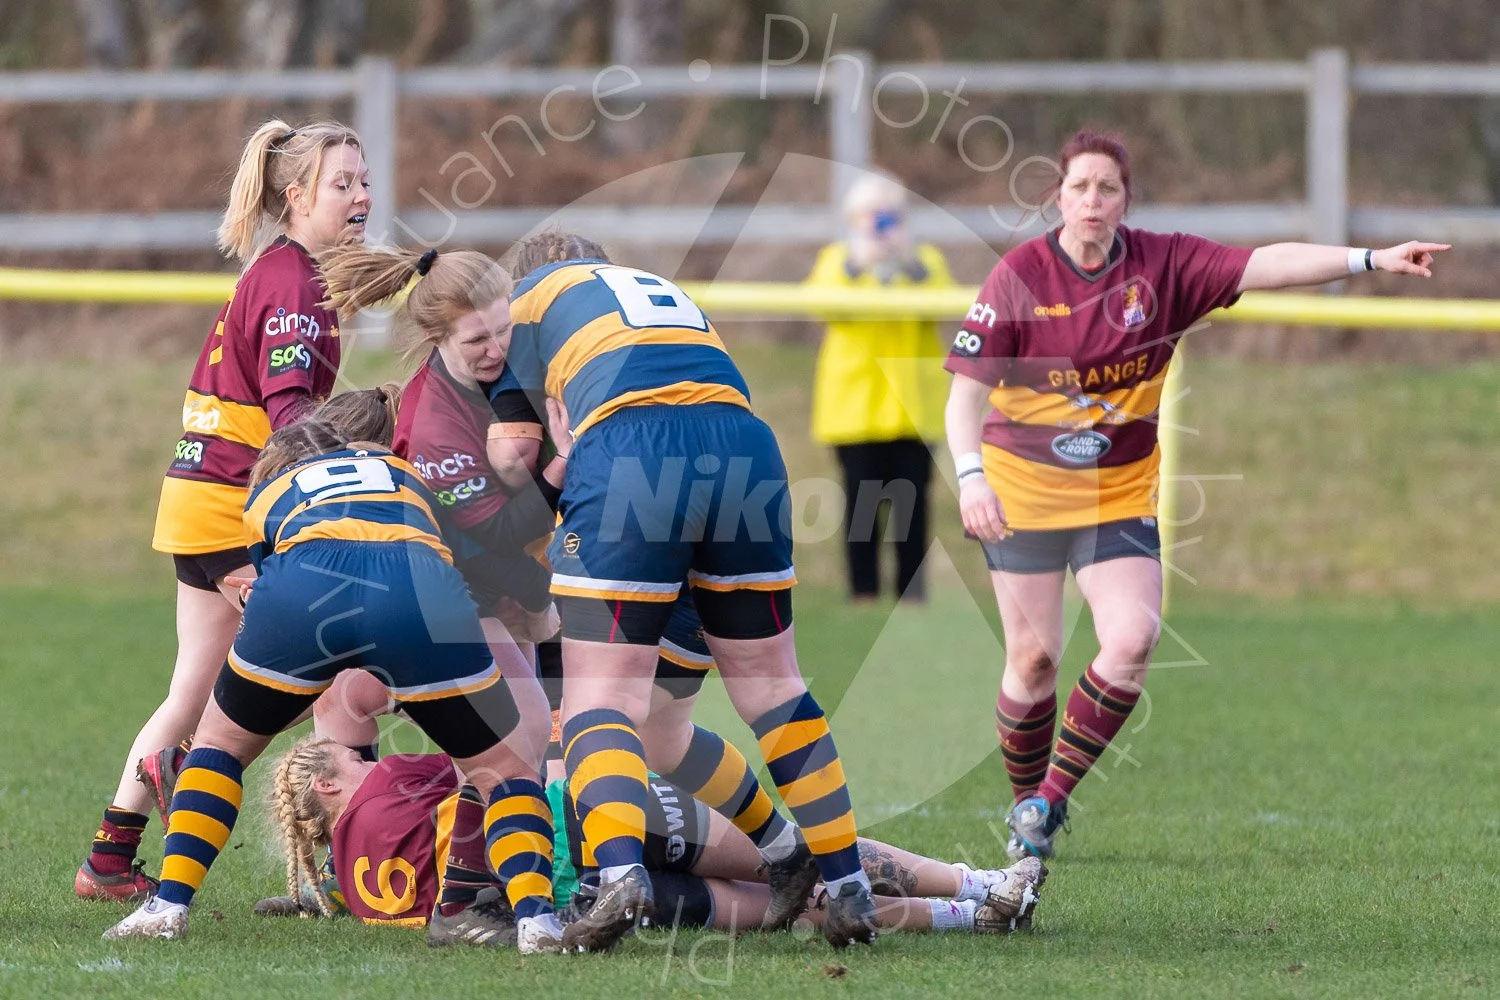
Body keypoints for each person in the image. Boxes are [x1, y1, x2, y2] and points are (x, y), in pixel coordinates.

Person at [944, 129, 1450, 860]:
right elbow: (965, 398)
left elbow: (1264, 264)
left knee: (1134, 637)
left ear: (1126, 199)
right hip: (1021, 491)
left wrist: (1368, 258)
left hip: (1116, 493)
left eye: (1107, 187)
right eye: (1079, 186)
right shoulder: (1020, 275)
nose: (1092, 200)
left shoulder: (1166, 264)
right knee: (1033, 661)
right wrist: (969, 476)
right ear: (1057, 195)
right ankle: (1023, 803)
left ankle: (1046, 807)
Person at [320, 243, 826, 933]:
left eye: (504, 331)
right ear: (438, 339)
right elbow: (499, 533)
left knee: (635, 732)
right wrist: (562, 471)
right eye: (477, 340)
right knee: (519, 739)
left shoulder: (515, 368)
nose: (497, 349)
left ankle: (790, 855)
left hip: (507, 589)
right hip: (452, 595)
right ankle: (492, 904)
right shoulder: (435, 420)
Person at [494, 232, 880, 951]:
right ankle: (847, 882)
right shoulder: (660, 297)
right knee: (772, 686)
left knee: (600, 699)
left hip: (633, 453)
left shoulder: (527, 303)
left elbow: (516, 454)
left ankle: (618, 877)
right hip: (744, 448)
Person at [102, 423, 566, 953]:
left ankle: (168, 906)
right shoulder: (404, 476)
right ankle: (536, 920)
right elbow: (475, 556)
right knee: (505, 772)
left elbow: (269, 571)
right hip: (416, 590)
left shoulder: (267, 491)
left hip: (307, 592)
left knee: (218, 748)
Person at [75, 119, 369, 902]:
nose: (362, 196)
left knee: (197, 688)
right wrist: (356, 472)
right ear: (298, 195)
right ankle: (341, 866)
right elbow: (289, 412)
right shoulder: (295, 280)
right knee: (332, 670)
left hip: (200, 496)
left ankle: (109, 858)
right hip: (231, 509)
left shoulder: (292, 272)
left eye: (364, 181)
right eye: (343, 184)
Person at [256, 737, 1048, 938]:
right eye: (350, 758)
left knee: (771, 910)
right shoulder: (390, 780)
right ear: (327, 784)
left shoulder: (353, 889)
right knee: (799, 861)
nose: (369, 754)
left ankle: (969, 920)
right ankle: (977, 884)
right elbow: (494, 760)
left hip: (575, 900)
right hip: (583, 818)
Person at [806, 171, 954, 603]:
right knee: (861, 510)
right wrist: (859, 266)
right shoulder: (838, 261)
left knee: (913, 510)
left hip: (913, 410)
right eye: (871, 215)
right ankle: (863, 595)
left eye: (888, 215)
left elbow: (943, 305)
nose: (880, 224)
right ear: (853, 219)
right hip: (856, 409)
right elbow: (821, 305)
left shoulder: (925, 262)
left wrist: (909, 265)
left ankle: (912, 596)